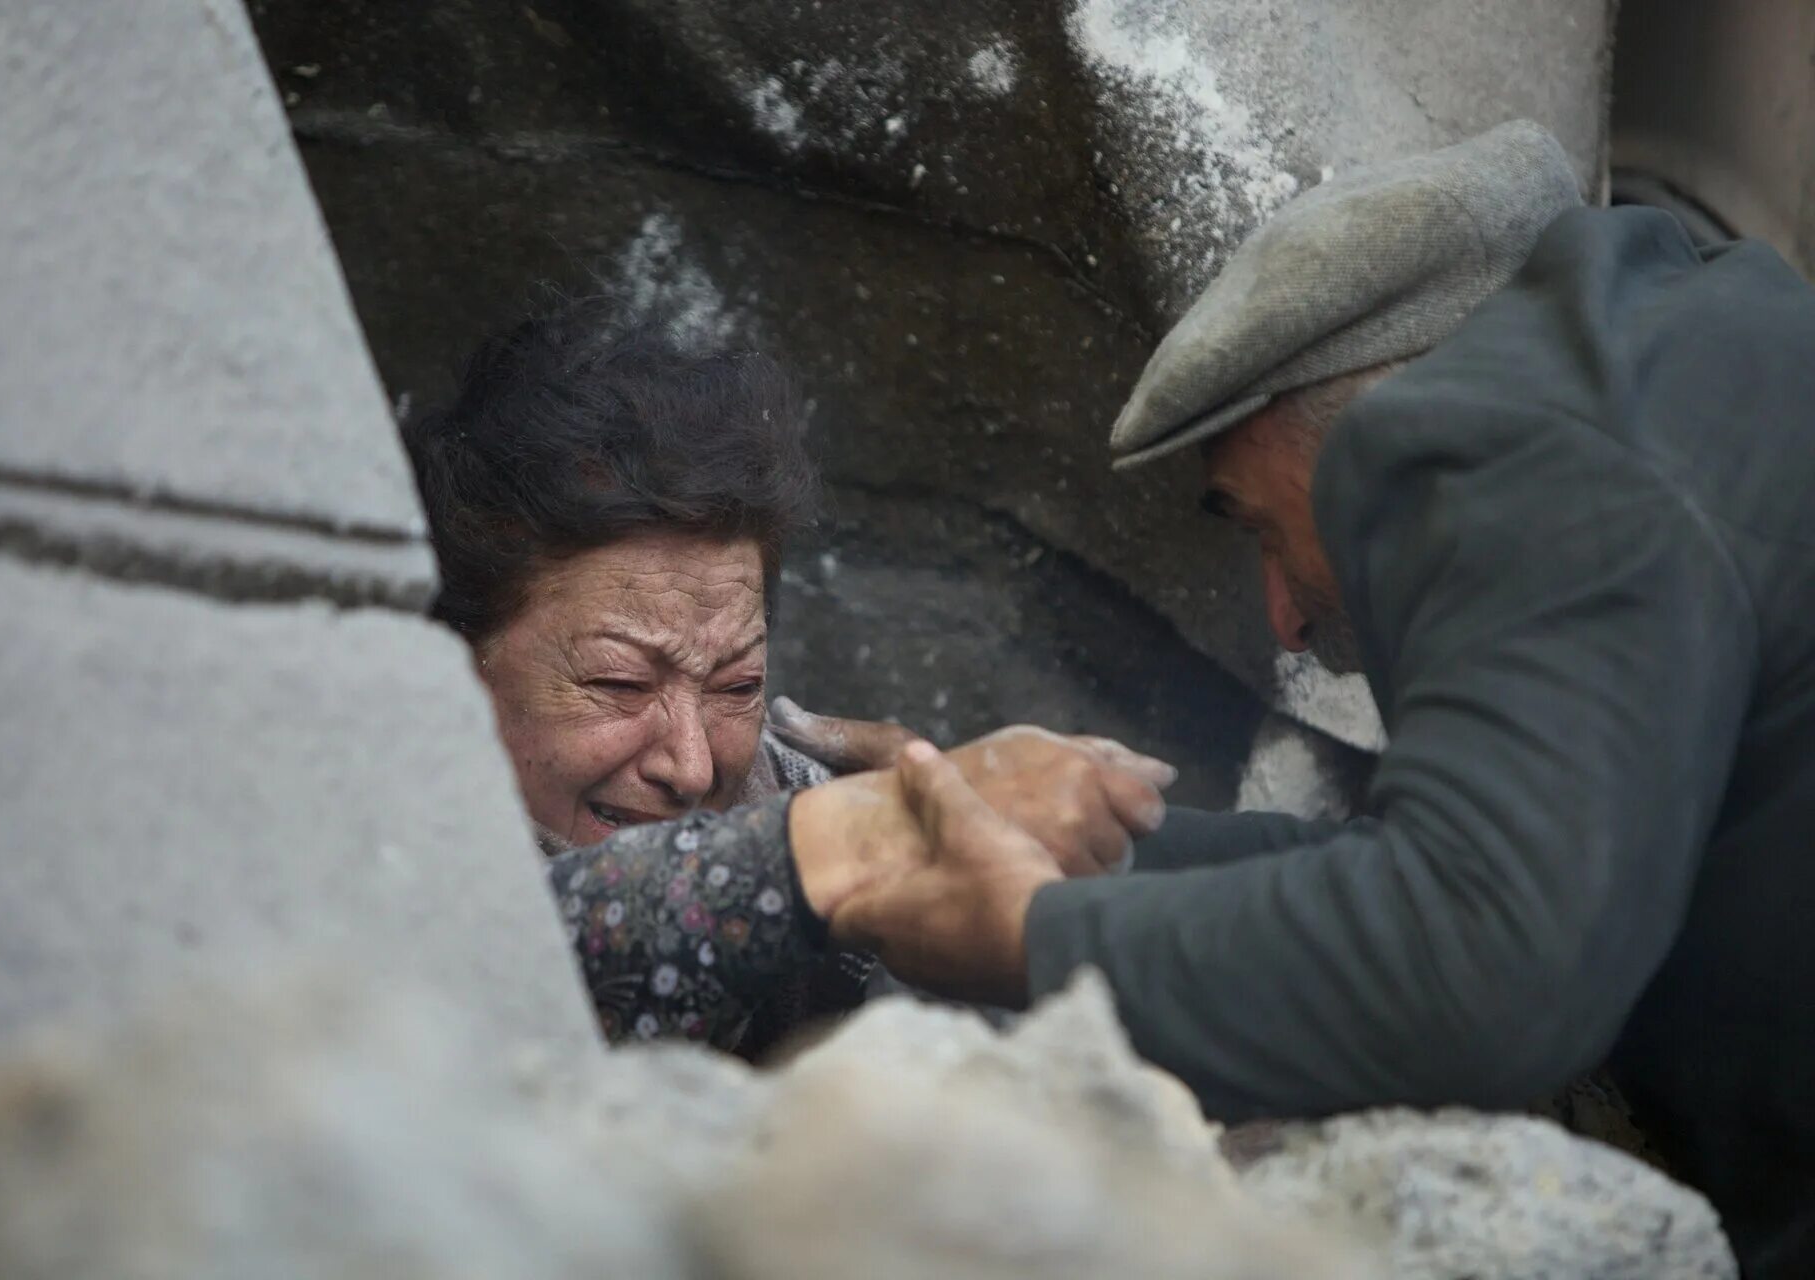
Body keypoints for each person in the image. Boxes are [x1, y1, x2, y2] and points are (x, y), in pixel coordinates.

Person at [773, 121, 1815, 1277]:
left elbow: (1482, 966)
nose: (1285, 618)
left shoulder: (1508, 441)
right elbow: (1442, 879)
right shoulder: (1668, 369)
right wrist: (1031, 842)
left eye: (1265, 529)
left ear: (1372, 424)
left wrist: (1030, 938)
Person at [403, 294, 1173, 1053]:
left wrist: (943, 855)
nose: (692, 766)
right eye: (619, 685)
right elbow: (503, 955)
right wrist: (844, 848)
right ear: (453, 664)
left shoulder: (801, 798)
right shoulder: (364, 843)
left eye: (736, 686)